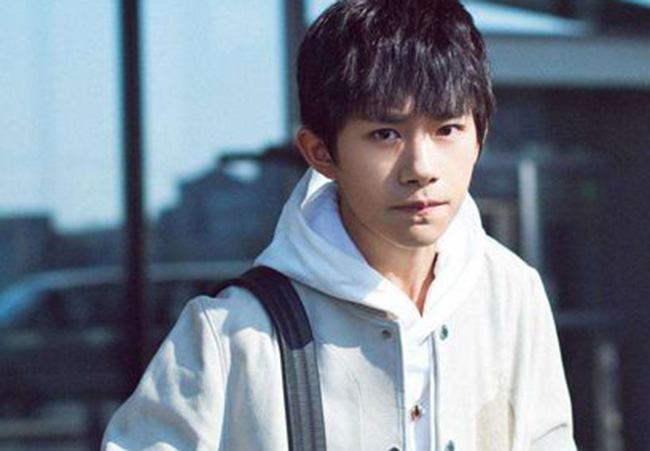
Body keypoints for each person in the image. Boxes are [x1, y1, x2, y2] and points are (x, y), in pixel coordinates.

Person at [103, 0, 576, 449]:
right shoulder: (233, 331)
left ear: (480, 136)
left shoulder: (512, 293)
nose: (421, 167)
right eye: (385, 134)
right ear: (321, 153)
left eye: (447, 129)